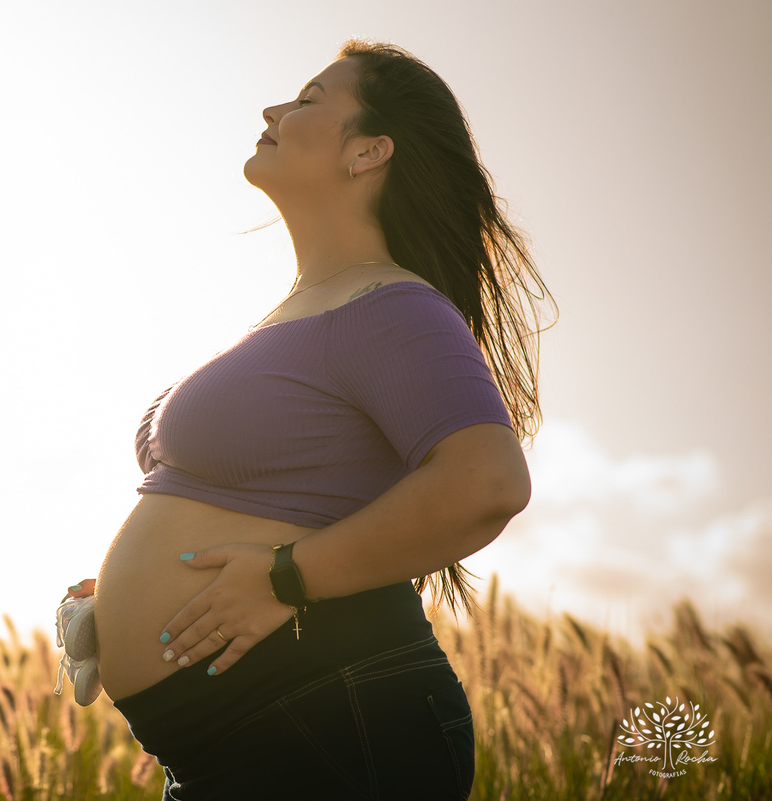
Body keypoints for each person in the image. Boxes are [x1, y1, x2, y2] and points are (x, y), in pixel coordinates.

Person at [66, 39, 553, 800]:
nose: (273, 110)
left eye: (308, 99)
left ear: (368, 152)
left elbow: (486, 481)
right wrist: (130, 595)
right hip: (241, 742)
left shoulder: (393, 306)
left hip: (326, 718)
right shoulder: (303, 315)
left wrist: (286, 577)